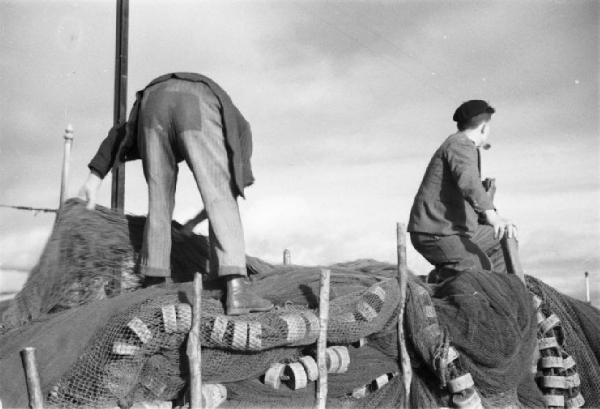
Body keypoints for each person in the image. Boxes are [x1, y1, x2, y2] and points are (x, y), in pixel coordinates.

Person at [80, 72, 273, 315]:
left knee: (158, 200)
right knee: (220, 195)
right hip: (198, 101)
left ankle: (154, 283)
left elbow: (122, 131)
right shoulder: (241, 131)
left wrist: (94, 178)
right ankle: (236, 289)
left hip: (152, 101)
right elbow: (224, 194)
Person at [408, 100, 517, 282]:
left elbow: (467, 188)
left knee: (499, 239)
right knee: (474, 267)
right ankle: (445, 286)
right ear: (483, 128)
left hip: (455, 229)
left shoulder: (463, 145)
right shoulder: (460, 144)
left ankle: (498, 295)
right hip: (436, 232)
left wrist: (487, 210)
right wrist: (492, 216)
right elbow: (469, 182)